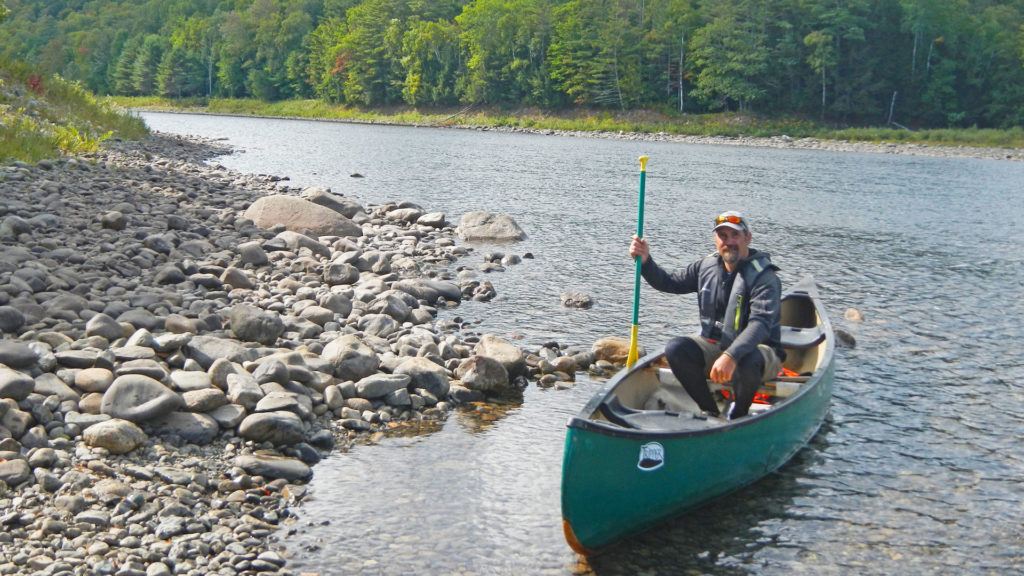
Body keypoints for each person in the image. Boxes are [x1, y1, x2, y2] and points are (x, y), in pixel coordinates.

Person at [628, 211, 784, 420]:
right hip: (716, 346)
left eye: (735, 235)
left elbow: (761, 323)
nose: (729, 242)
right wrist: (646, 262)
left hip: (760, 354)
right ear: (715, 240)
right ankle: (710, 411)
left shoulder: (765, 277)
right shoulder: (706, 266)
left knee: (748, 359)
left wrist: (731, 356)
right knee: (676, 349)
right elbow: (669, 282)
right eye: (722, 236)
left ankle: (738, 416)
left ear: (748, 237)